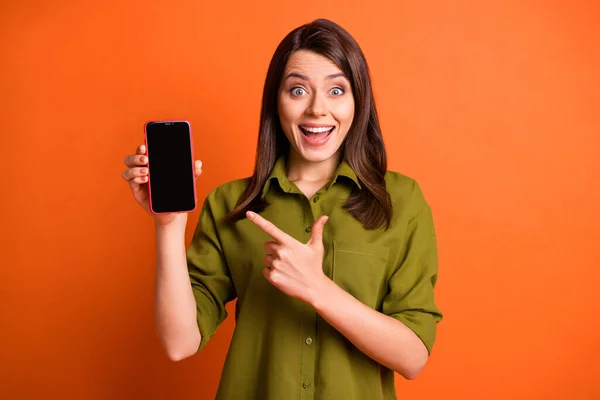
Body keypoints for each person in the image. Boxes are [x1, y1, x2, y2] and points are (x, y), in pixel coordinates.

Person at [122, 18, 442, 400]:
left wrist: (317, 288)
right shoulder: (231, 206)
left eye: (337, 90)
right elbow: (179, 343)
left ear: (359, 101)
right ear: (277, 100)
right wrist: (169, 225)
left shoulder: (400, 201)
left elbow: (413, 358)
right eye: (298, 90)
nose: (317, 109)